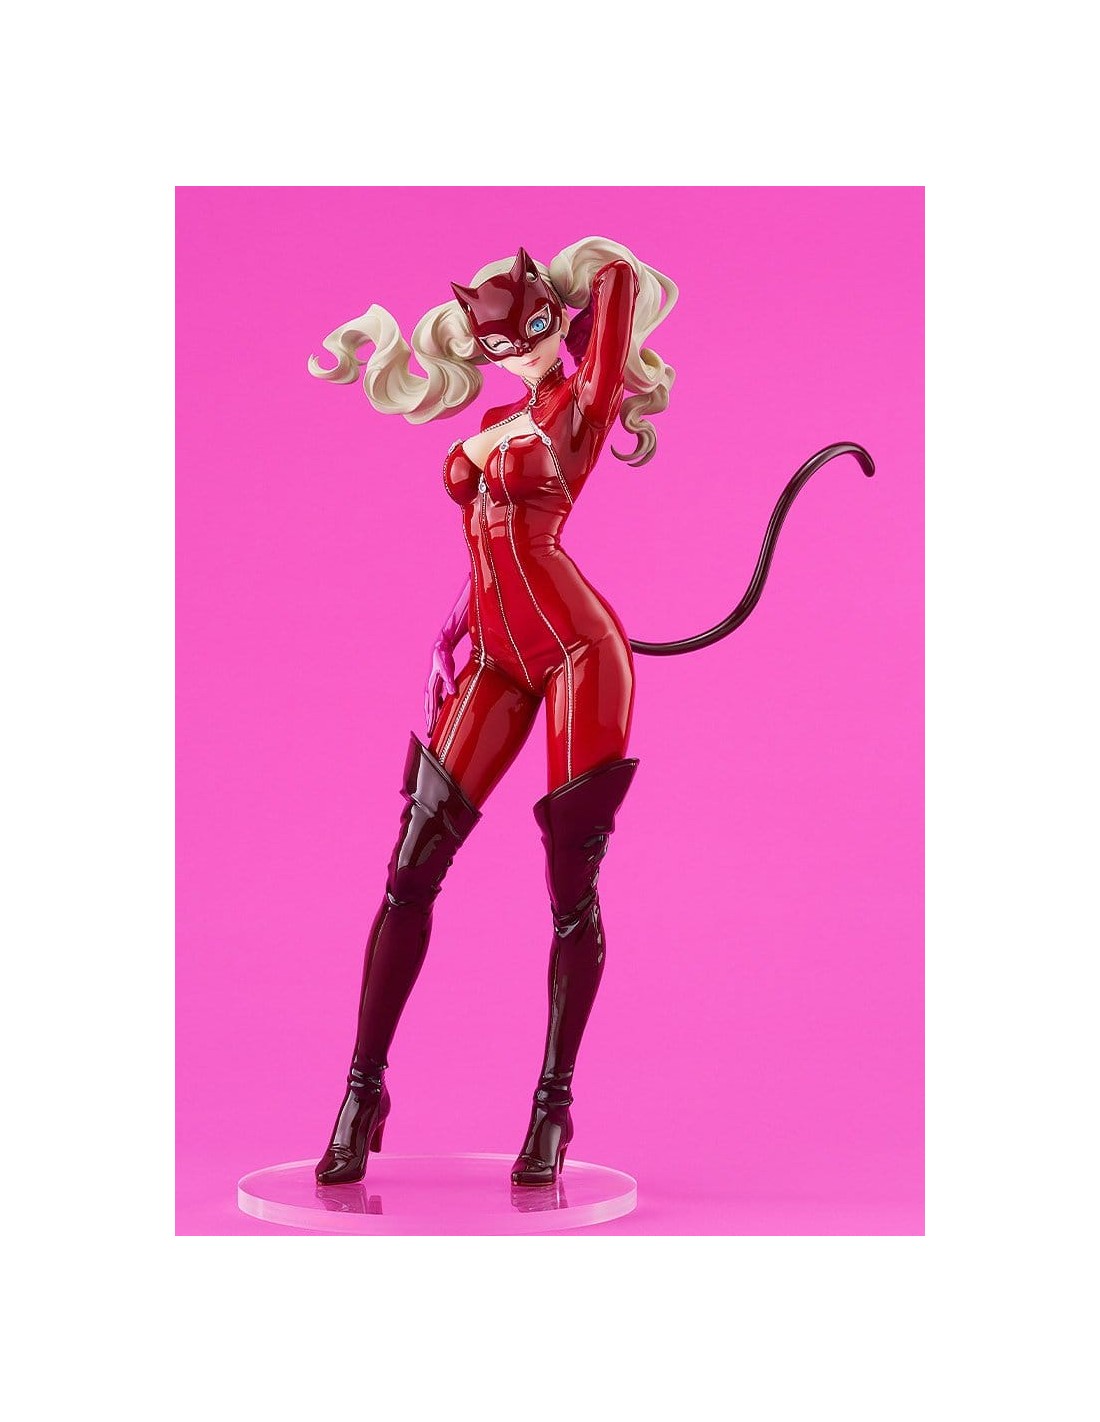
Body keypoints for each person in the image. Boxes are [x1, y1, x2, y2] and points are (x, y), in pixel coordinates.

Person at [307, 237, 677, 1186]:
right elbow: (489, 541)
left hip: (580, 653)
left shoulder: (583, 402)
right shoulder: (500, 416)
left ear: (557, 316)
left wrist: (572, 276)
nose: (522, 350)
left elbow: (618, 280)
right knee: (411, 868)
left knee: (570, 888)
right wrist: (459, 619)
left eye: (536, 326)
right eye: (500, 341)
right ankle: (361, 1092)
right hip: (496, 657)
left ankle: (553, 1108)